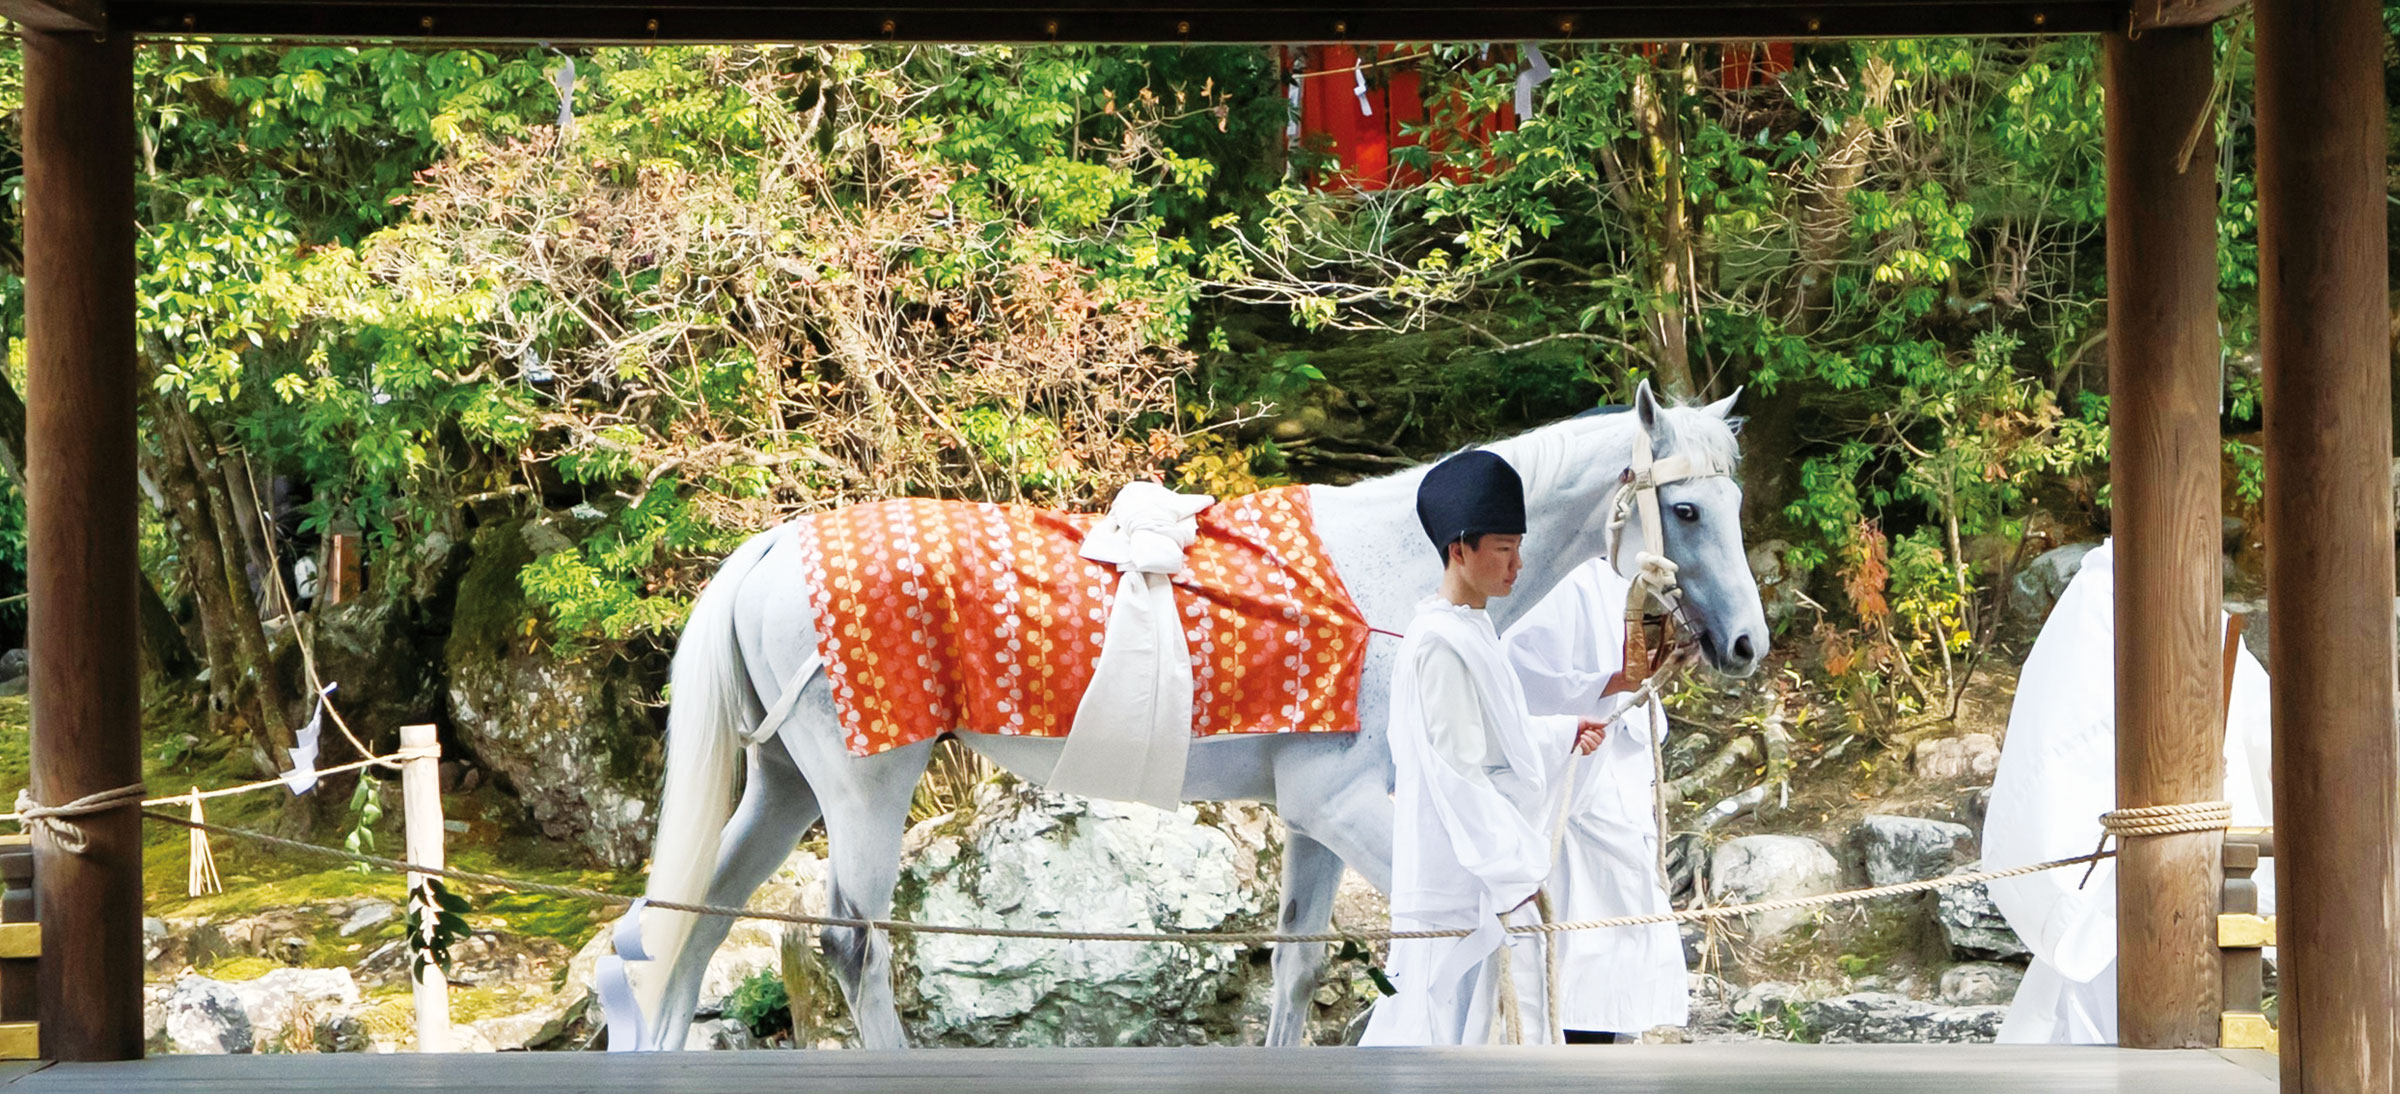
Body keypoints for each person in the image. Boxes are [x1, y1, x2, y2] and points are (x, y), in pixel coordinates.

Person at [1980, 540, 2274, 1044]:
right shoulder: (2098, 601)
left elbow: (2258, 732)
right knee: (2109, 990)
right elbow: (2063, 742)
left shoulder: (2211, 619)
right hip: (2120, 866)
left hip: (2198, 847)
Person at [1361, 449, 1607, 1047]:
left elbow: (1495, 736)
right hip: (1460, 878)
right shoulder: (1440, 643)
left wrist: (1559, 731)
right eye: (1503, 548)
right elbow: (1456, 770)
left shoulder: (1472, 630)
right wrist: (1509, 868)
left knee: (1472, 1024)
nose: (1518, 564)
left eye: (1519, 547)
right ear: (1459, 549)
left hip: (1477, 874)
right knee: (1439, 1025)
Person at [1503, 555, 1690, 1043]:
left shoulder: (1636, 581)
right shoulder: (1560, 578)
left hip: (1625, 772)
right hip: (1580, 778)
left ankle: (1612, 1045)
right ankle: (1575, 1044)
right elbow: (1521, 675)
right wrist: (1612, 683)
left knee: (1627, 920)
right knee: (1582, 924)